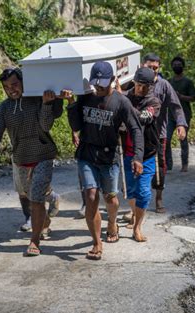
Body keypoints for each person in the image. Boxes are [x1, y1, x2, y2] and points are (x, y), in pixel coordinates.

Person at [0, 67, 63, 256]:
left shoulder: (36, 100)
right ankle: (46, 217)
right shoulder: (4, 108)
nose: (11, 89)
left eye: (15, 84)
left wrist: (47, 104)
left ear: (24, 82)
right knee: (26, 194)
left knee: (36, 198)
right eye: (7, 87)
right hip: (20, 157)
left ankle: (34, 242)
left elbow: (46, 125)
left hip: (42, 154)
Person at [66, 61, 144, 260]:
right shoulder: (85, 97)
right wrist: (71, 104)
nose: (98, 88)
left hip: (109, 157)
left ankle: (111, 222)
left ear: (112, 80)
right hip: (87, 154)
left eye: (102, 84)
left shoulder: (121, 102)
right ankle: (96, 243)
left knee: (111, 198)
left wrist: (137, 157)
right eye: (96, 84)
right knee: (91, 195)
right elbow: (76, 124)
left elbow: (135, 129)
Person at [142, 53, 187, 214]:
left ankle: (158, 197)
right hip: (138, 133)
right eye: (149, 67)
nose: (153, 70)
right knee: (136, 165)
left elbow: (176, 106)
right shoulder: (135, 84)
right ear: (142, 66)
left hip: (159, 133)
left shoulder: (164, 85)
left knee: (160, 166)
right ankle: (138, 202)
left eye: (156, 68)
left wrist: (181, 124)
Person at [123, 67, 161, 242]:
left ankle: (137, 227)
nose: (142, 89)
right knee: (130, 190)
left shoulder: (154, 102)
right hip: (127, 152)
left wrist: (123, 103)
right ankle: (133, 213)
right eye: (139, 85)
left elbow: (143, 118)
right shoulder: (124, 96)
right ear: (134, 83)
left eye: (146, 86)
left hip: (146, 154)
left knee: (144, 192)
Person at [166, 56, 195, 172]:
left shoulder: (188, 82)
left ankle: (185, 164)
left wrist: (181, 97)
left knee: (183, 139)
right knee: (166, 139)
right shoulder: (169, 82)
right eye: (174, 65)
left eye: (179, 65)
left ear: (183, 67)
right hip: (170, 115)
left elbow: (193, 97)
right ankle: (169, 164)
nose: (176, 67)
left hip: (184, 115)